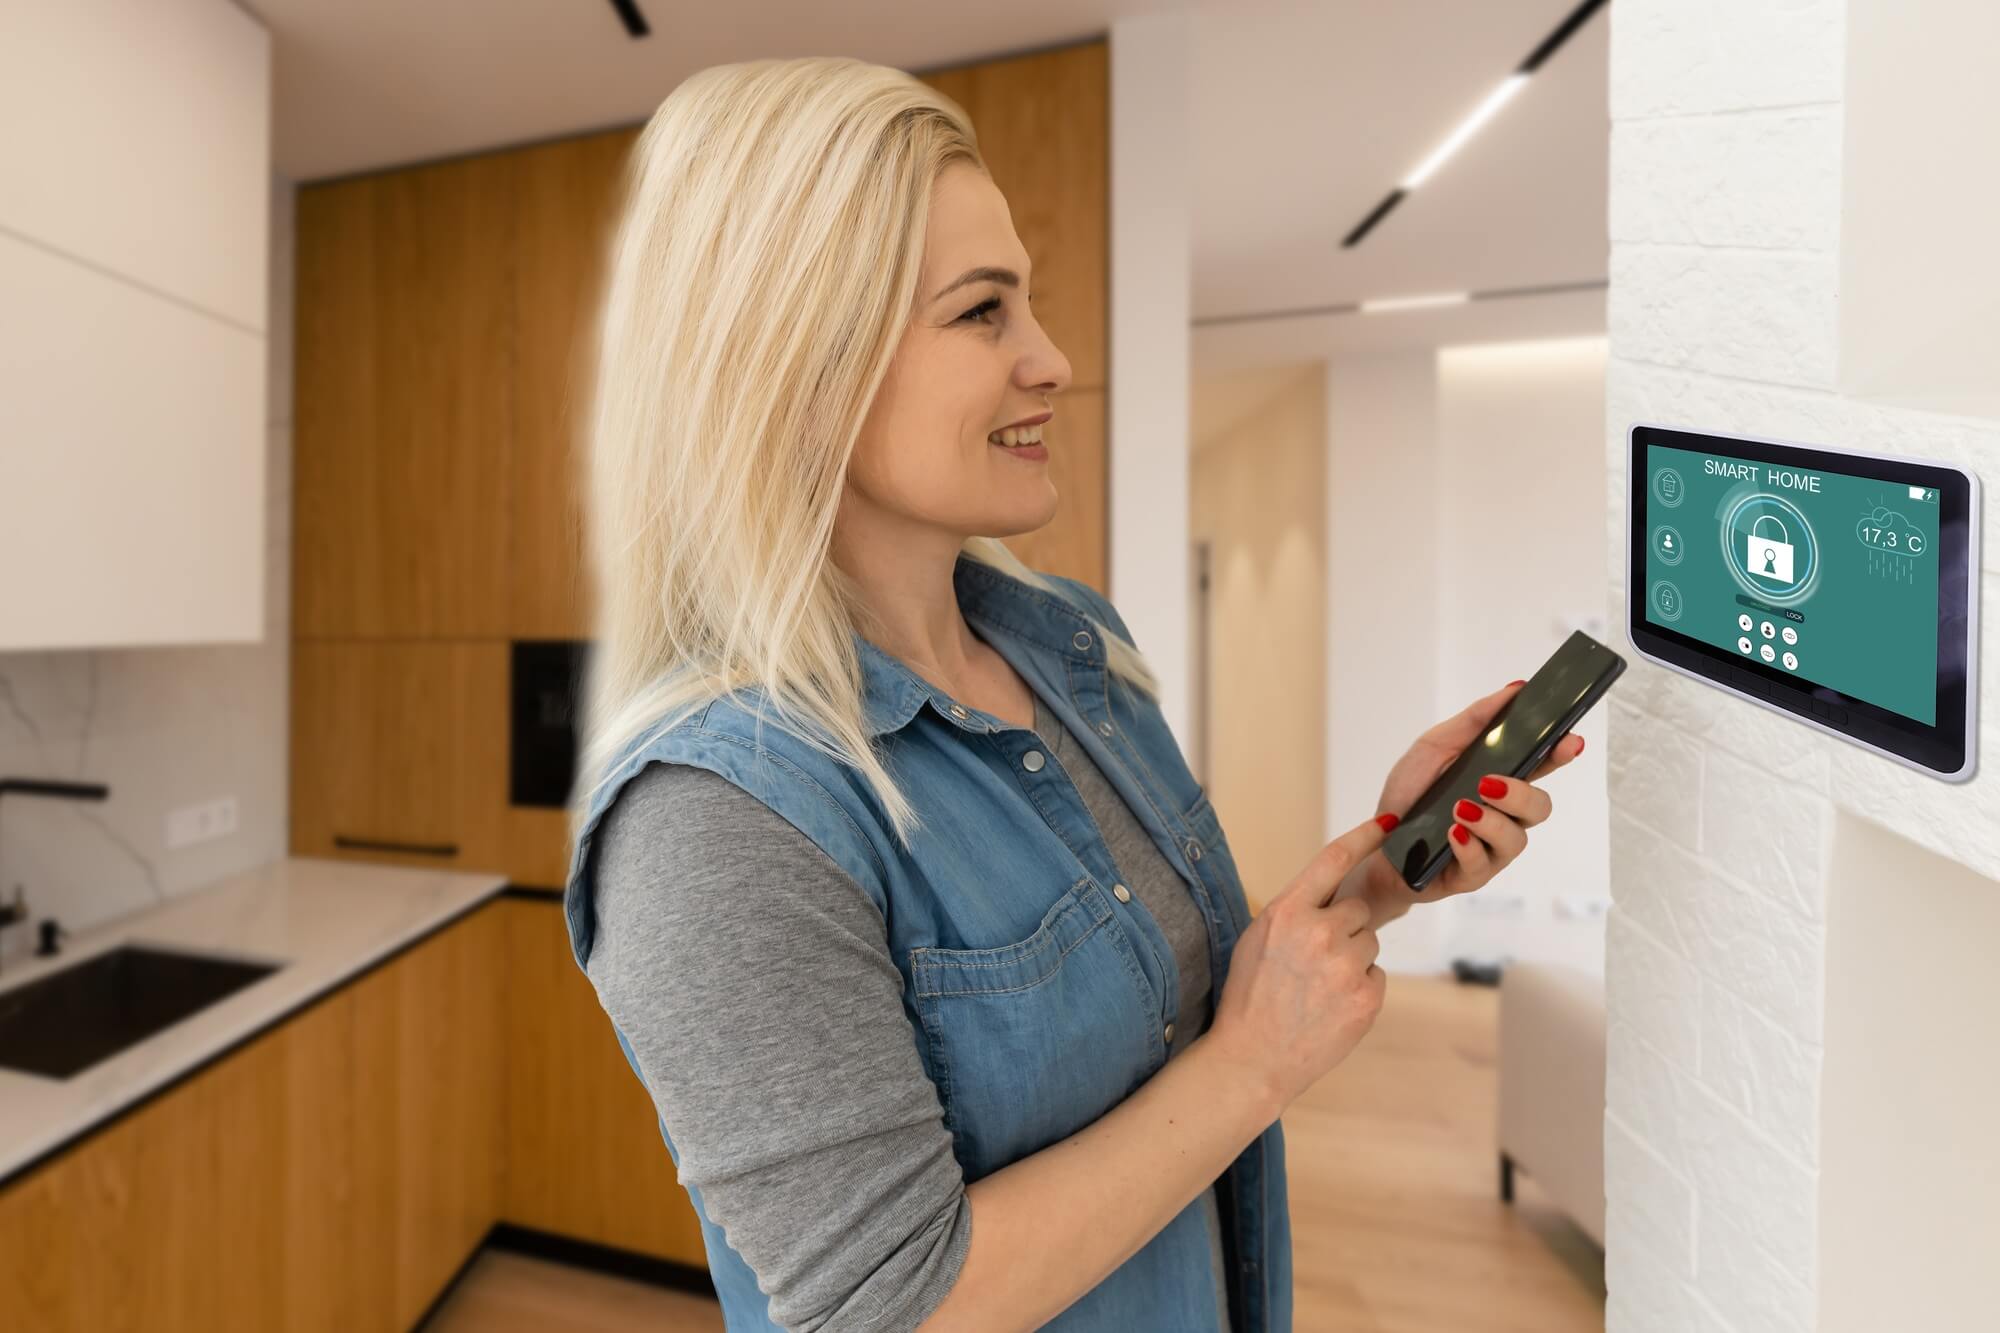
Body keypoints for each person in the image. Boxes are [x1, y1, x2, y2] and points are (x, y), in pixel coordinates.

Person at [561, 55, 1585, 1333]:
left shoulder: (1074, 645)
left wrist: (1384, 870)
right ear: (799, 365)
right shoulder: (712, 823)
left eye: (1026, 304)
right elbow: (886, 1307)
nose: (1049, 359)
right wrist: (1254, 1065)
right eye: (981, 312)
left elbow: (1156, 1011)